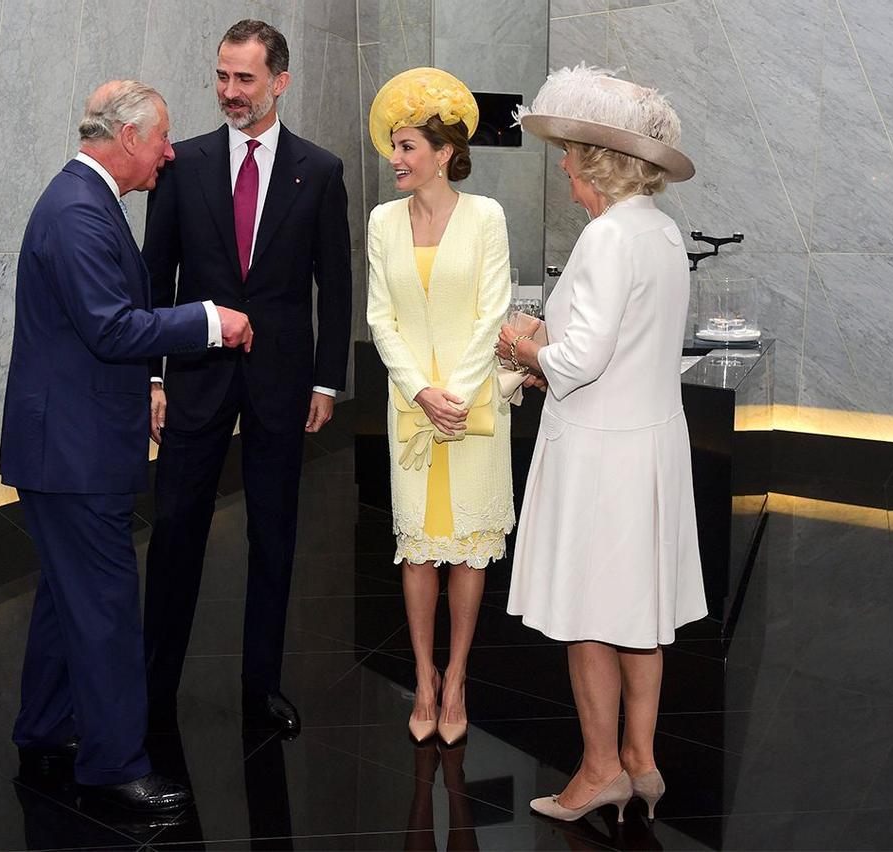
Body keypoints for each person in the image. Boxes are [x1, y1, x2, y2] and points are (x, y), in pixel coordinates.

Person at [0, 80, 253, 813]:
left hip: (70, 446)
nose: (170, 152)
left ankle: (46, 725)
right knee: (106, 605)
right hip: (71, 455)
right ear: (130, 138)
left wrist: (145, 387)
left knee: (65, 597)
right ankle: (112, 763)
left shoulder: (85, 202)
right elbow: (111, 326)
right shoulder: (78, 210)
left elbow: (97, 329)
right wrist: (208, 320)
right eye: (163, 138)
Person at [499, 64, 707, 822]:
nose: (562, 164)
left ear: (598, 163)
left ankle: (596, 772)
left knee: (591, 616)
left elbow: (579, 361)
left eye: (570, 152)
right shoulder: (660, 231)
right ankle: (641, 761)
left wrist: (519, 347)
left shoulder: (605, 238)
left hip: (600, 454)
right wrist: (550, 344)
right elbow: (619, 342)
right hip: (648, 447)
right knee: (639, 613)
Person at [141, 19, 352, 736]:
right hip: (194, 377)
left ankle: (260, 687)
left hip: (281, 383)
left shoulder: (319, 172)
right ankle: (152, 685)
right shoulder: (183, 164)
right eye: (223, 76)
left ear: (279, 81)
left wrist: (327, 383)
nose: (230, 92)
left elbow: (336, 284)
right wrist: (153, 379)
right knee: (174, 531)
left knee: (276, 534)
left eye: (245, 79)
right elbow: (154, 279)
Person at [365, 68, 514, 746]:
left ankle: (458, 679)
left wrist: (454, 391)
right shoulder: (382, 223)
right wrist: (420, 390)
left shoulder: (486, 217)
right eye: (392, 147)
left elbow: (493, 312)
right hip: (411, 406)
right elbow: (380, 319)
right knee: (418, 551)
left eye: (405, 148)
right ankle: (422, 676)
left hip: (472, 409)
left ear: (444, 153)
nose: (394, 160)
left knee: (468, 554)